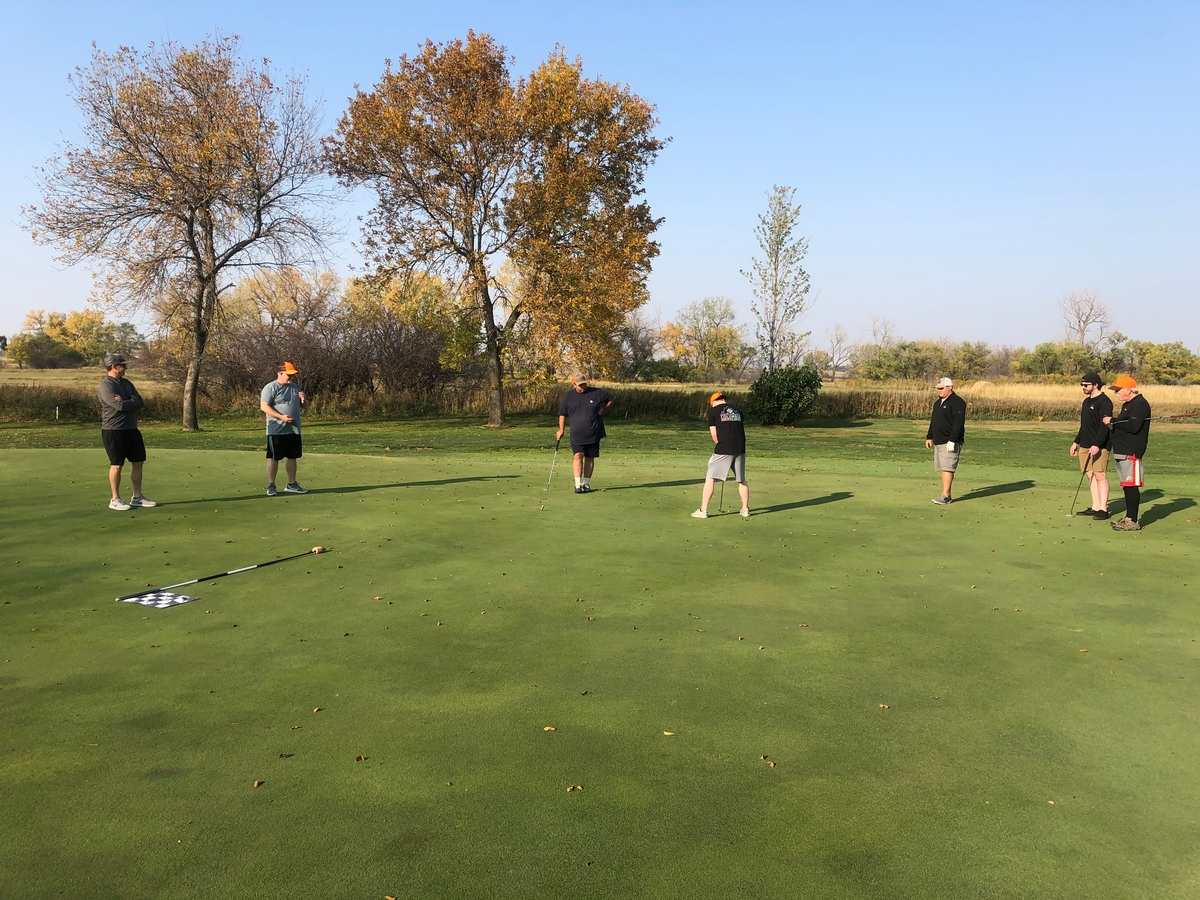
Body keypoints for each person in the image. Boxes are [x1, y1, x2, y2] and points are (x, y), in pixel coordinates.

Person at [98, 352, 156, 511]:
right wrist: (130, 402)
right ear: (114, 366)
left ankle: (137, 497)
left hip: (131, 429)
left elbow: (140, 401)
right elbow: (119, 406)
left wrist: (128, 401)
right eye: (122, 365)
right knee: (117, 464)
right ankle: (115, 499)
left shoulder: (126, 383)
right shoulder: (106, 385)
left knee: (138, 462)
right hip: (114, 430)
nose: (125, 367)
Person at [1103, 375, 1150, 532]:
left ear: (1128, 390)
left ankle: (1133, 520)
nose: (1116, 393)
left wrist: (1112, 420)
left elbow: (1133, 426)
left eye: (1118, 390)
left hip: (1132, 451)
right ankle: (1129, 517)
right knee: (1126, 486)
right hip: (1122, 450)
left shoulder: (1140, 404)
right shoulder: (1128, 405)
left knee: (1131, 485)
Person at [692, 391, 749, 518]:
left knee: (710, 477)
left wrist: (720, 444)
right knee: (741, 479)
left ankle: (703, 510)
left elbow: (714, 434)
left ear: (713, 402)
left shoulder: (713, 411)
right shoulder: (738, 410)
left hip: (724, 447)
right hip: (740, 447)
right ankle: (745, 509)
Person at [556, 373, 614, 493]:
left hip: (593, 432)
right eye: (580, 385)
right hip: (576, 433)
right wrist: (561, 429)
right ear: (574, 384)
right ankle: (578, 485)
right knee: (578, 455)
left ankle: (586, 484)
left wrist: (603, 409)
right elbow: (562, 414)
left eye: (584, 384)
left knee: (590, 458)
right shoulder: (569, 396)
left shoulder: (596, 392)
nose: (583, 386)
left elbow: (611, 398)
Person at [1069, 372, 1113, 519]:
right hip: (1086, 444)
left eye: (1086, 385)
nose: (1083, 387)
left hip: (1099, 445)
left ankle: (1103, 509)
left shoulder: (1105, 401)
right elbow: (1085, 425)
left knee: (1100, 475)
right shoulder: (1086, 402)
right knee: (1090, 475)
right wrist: (1076, 442)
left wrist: (1097, 444)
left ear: (1095, 385)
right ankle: (1095, 506)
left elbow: (1104, 425)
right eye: (1082, 385)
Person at [261, 362, 307, 496]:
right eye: (288, 375)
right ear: (280, 373)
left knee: (292, 457)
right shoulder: (270, 387)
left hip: (293, 429)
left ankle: (292, 484)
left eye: (292, 375)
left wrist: (303, 401)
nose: (291, 377)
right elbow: (264, 407)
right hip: (276, 429)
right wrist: (281, 417)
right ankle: (271, 485)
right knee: (274, 457)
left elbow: (300, 407)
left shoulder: (294, 387)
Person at [925, 376, 966, 505]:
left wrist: (952, 440)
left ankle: (946, 496)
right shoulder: (938, 403)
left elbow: (958, 423)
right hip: (939, 440)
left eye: (942, 388)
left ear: (950, 388)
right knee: (943, 468)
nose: (939, 391)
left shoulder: (957, 402)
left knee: (948, 468)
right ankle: (945, 494)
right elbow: (934, 421)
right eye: (938, 389)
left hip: (950, 441)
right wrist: (929, 436)